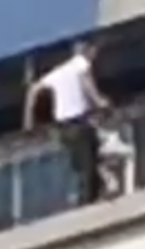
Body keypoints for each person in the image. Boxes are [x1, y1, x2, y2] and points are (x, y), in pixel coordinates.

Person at [23, 40, 113, 204]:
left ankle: (90, 195)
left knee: (82, 163)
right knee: (88, 163)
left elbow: (33, 91)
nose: (95, 57)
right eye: (94, 51)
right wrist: (100, 101)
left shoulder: (59, 71)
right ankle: (89, 200)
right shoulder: (80, 63)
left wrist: (28, 122)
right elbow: (86, 81)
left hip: (63, 128)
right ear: (88, 50)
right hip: (78, 123)